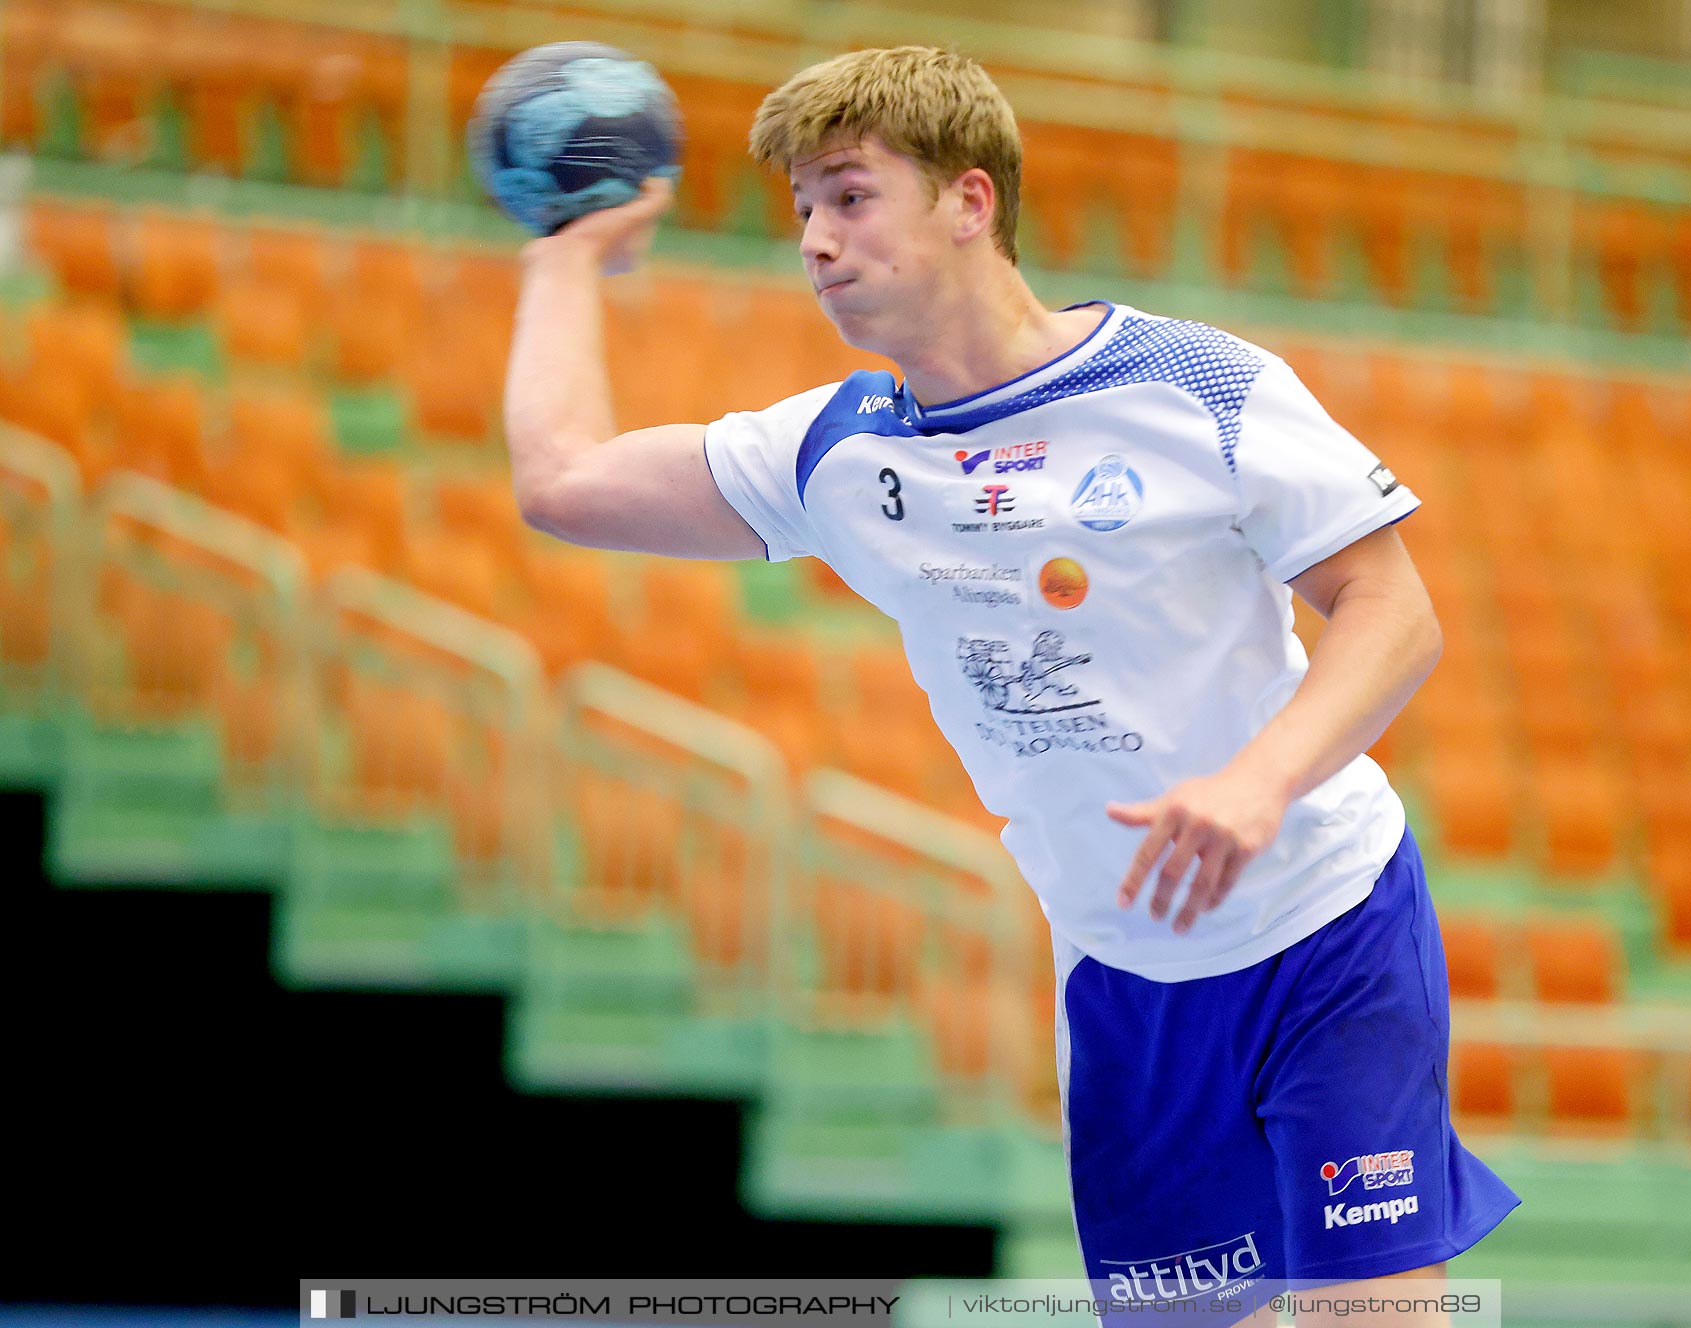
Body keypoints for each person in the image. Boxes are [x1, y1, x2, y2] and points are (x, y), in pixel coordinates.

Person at [504, 45, 1520, 1324]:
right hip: (1119, 973)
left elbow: (1398, 613)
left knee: (1373, 1313)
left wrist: (1258, 784)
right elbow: (561, 481)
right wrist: (558, 258)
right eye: (802, 209)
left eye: (852, 195)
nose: (816, 239)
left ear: (970, 202)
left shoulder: (1200, 386)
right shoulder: (832, 448)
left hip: (1325, 922)